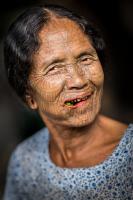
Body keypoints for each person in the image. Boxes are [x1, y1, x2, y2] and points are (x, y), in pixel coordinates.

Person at [3, 4, 133, 200]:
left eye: (85, 59)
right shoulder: (24, 162)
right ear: (29, 96)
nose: (79, 80)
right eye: (54, 68)